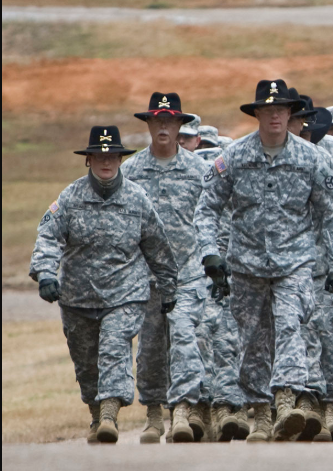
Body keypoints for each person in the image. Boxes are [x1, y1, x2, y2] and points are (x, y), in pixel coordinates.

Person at [193, 80, 333, 442]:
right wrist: (209, 252)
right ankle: (262, 412)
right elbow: (207, 208)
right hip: (246, 265)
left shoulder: (311, 158)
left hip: (294, 263)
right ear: (258, 115)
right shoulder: (233, 157)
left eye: (281, 110)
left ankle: (286, 400)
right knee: (254, 340)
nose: (276, 116)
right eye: (268, 111)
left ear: (291, 114)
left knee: (290, 324)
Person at [30, 125, 178, 444]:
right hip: (77, 298)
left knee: (115, 346)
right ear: (89, 160)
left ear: (121, 160)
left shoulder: (138, 199)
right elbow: (48, 236)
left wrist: (169, 287)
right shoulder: (70, 197)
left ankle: (110, 413)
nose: (106, 162)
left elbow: (158, 247)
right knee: (86, 365)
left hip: (125, 294)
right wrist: (44, 273)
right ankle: (97, 414)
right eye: (99, 156)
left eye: (112, 156)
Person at [123, 92, 213, 443]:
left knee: (185, 341)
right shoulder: (129, 172)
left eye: (170, 121)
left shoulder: (198, 171)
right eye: (157, 120)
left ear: (180, 126)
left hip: (187, 273)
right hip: (144, 278)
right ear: (148, 124)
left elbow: (213, 217)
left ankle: (182, 412)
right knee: (149, 351)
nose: (163, 126)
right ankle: (153, 414)